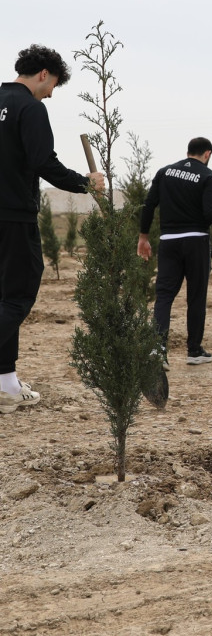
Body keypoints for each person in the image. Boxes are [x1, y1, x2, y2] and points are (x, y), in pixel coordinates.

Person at [0, 45, 105, 414]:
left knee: (3, 298)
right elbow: (43, 162)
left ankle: (7, 386)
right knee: (18, 295)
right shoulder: (31, 108)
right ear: (43, 73)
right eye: (54, 85)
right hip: (13, 217)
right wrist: (86, 183)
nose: (51, 93)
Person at [137, 138, 212, 365]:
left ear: (187, 152)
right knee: (196, 297)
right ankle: (194, 351)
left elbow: (148, 204)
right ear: (207, 153)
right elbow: (209, 213)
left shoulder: (165, 172)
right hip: (196, 241)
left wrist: (143, 237)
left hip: (169, 241)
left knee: (164, 295)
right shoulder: (207, 176)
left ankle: (157, 350)